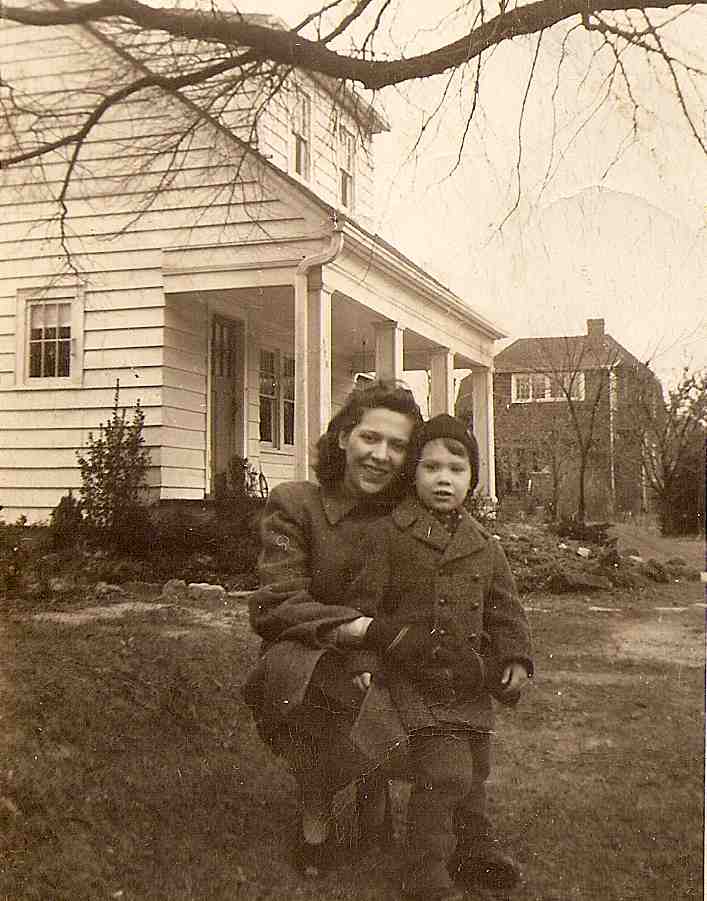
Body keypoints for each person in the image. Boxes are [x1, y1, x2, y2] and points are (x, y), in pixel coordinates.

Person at [341, 412, 534, 900]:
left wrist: (514, 658)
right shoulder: (390, 535)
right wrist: (365, 663)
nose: (444, 479)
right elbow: (364, 606)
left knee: (475, 770)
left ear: (473, 478)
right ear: (414, 474)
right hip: (413, 677)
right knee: (445, 772)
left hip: (467, 680)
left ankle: (474, 848)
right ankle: (424, 872)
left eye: (456, 469)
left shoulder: (485, 545)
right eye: (431, 468)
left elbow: (505, 610)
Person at [243, 379, 424, 874]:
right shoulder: (295, 503)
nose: (381, 455)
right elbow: (276, 604)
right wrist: (359, 630)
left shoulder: (410, 517)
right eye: (370, 437)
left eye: (397, 445)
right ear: (344, 436)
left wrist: (379, 648)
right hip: (308, 652)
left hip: (386, 655)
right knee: (301, 677)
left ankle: (374, 789)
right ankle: (316, 814)